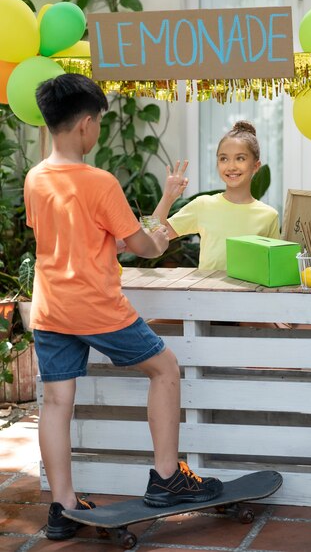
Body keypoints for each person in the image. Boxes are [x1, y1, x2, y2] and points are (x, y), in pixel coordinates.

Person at [24, 73, 223, 541]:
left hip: (51, 308)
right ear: (86, 125)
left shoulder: (36, 178)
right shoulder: (99, 182)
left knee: (56, 402)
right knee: (165, 368)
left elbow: (83, 239)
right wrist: (163, 212)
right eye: (98, 124)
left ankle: (62, 506)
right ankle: (166, 478)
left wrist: (168, 197)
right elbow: (145, 248)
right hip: (95, 306)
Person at [154, 120, 280, 270]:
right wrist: (167, 197)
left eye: (240, 158)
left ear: (256, 166)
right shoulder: (203, 205)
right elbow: (152, 238)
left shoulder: (269, 215)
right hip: (207, 292)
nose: (231, 166)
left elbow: (275, 266)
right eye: (223, 159)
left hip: (249, 293)